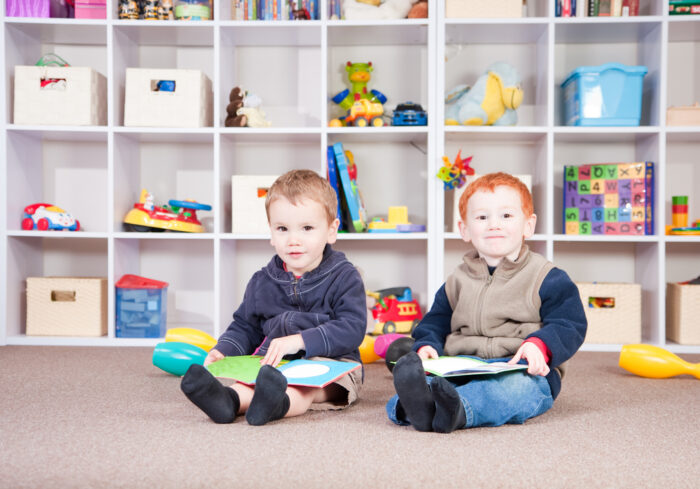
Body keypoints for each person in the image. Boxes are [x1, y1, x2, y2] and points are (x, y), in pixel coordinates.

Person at [386, 172, 587, 433]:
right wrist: (427, 346)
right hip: (463, 366)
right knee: (429, 380)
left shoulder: (546, 277)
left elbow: (570, 322)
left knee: (512, 391)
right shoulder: (456, 280)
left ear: (528, 224)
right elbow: (435, 321)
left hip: (520, 368)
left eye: (506, 216)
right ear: (465, 229)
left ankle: (455, 410)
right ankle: (414, 407)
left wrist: (540, 345)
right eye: (482, 217)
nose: (494, 224)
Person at [181, 169, 367, 426]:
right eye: (282, 228)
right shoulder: (261, 281)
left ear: (331, 231)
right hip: (275, 364)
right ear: (271, 232)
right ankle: (228, 401)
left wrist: (300, 341)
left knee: (304, 388)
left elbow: (352, 328)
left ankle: (276, 404)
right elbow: (245, 326)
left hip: (333, 364)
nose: (293, 240)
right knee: (250, 383)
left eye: (307, 228)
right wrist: (224, 349)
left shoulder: (345, 276)